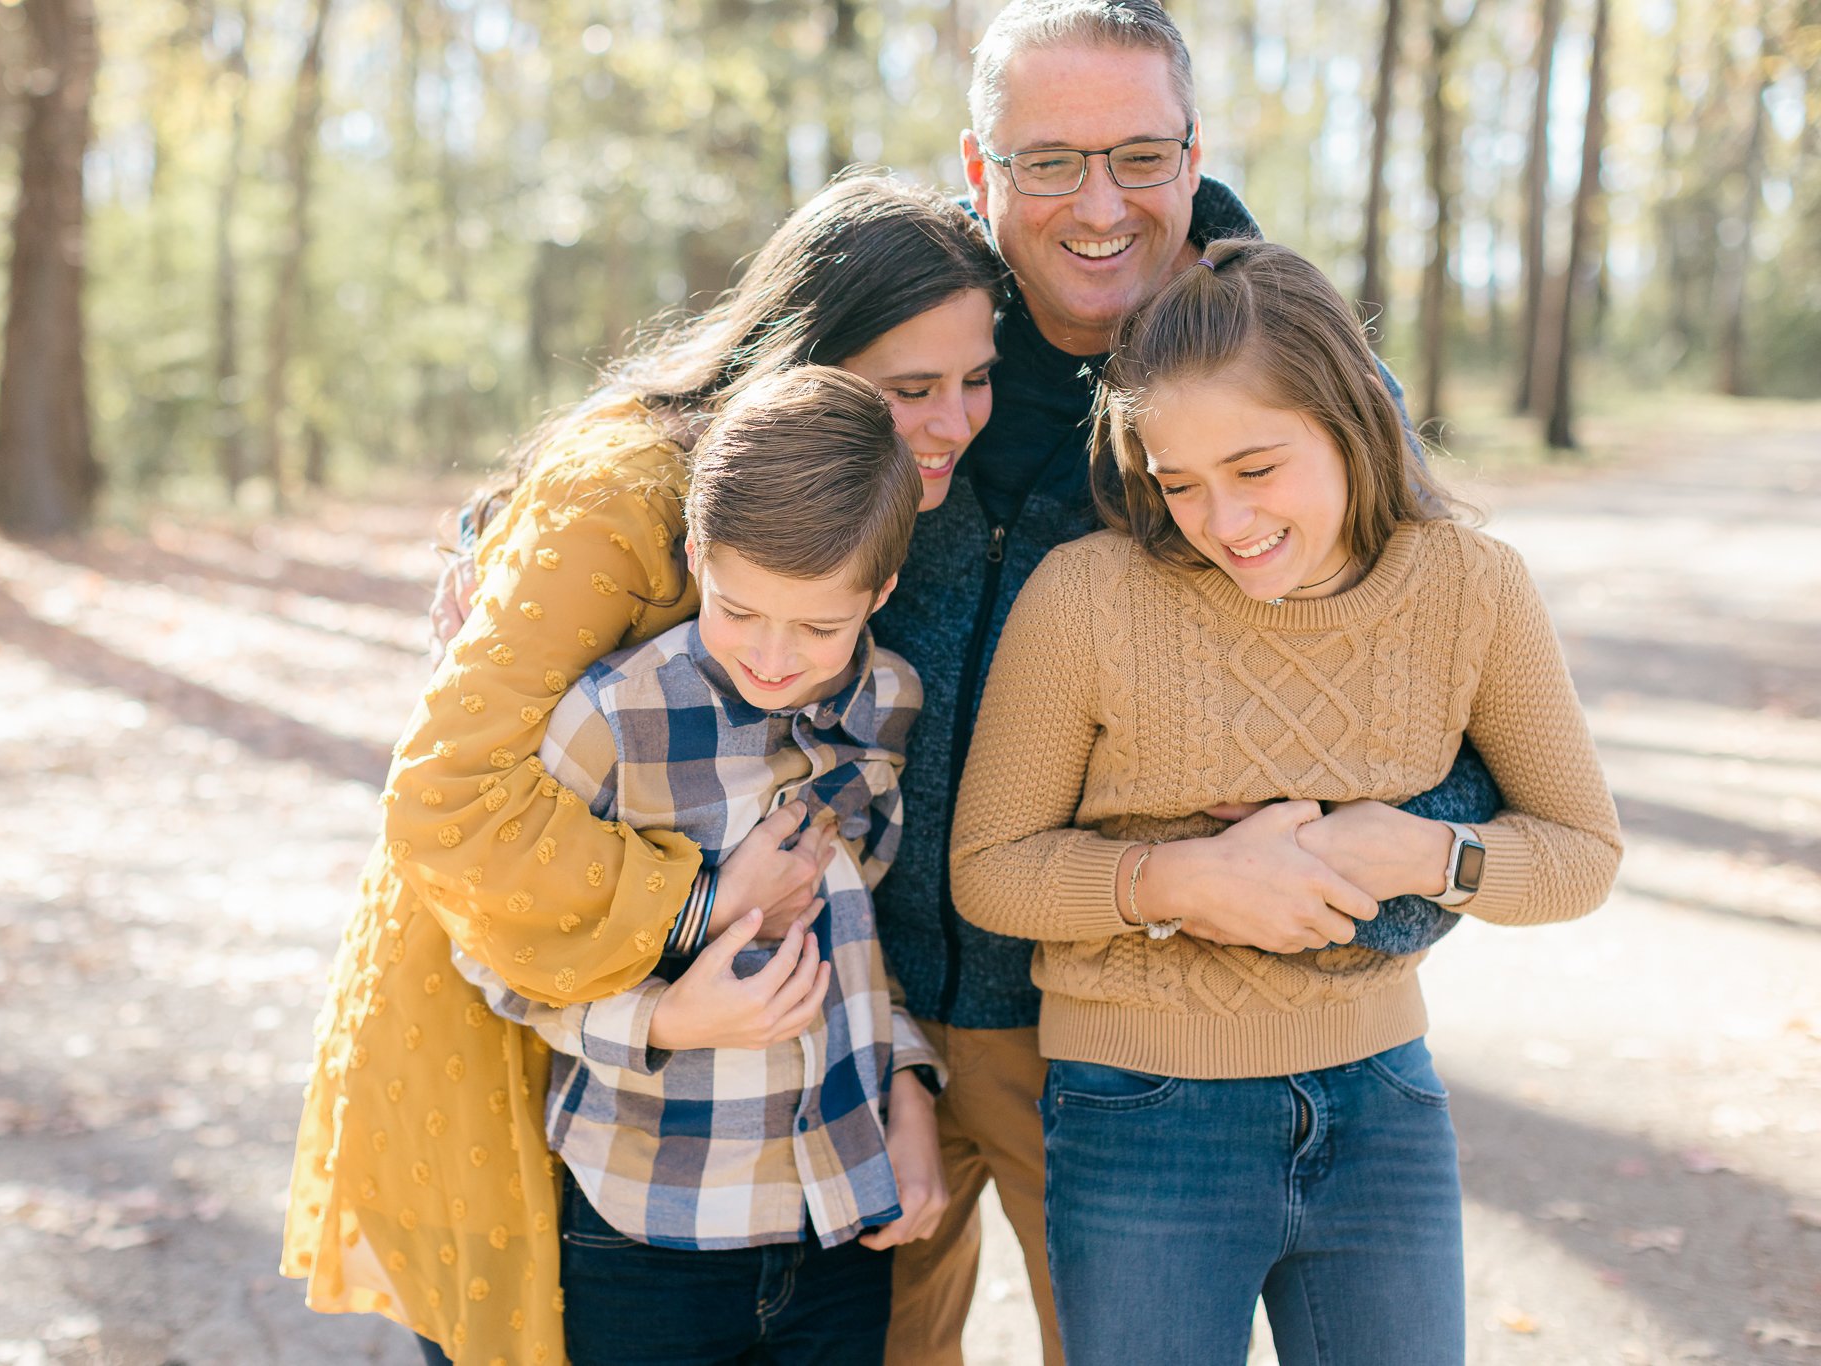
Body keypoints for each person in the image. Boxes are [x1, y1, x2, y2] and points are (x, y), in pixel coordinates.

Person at [280, 175, 1003, 1365]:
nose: (950, 420)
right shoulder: (631, 489)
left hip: (750, 1142)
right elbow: (445, 794)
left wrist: (899, 1075)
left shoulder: (850, 577)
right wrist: (707, 908)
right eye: (909, 387)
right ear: (801, 369)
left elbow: (840, 894)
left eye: (973, 379)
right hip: (509, 983)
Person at [869, 5, 1497, 1360]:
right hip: (865, 1005)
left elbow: (1454, 709)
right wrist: (495, 527)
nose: (1100, 204)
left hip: (1108, 1040)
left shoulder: (1293, 368)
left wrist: (1338, 906)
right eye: (1049, 162)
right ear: (980, 173)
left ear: (1194, 151)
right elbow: (700, 438)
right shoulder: (899, 315)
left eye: (1140, 156)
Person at [949, 238, 1624, 1364]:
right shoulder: (1086, 596)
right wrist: (1181, 883)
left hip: (1381, 1105)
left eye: (1255, 468)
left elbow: (1579, 853)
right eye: (1177, 482)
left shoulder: (1471, 585)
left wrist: (1415, 852)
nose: (1222, 519)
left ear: (1351, 418)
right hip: (1137, 1115)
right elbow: (990, 865)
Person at [455, 366, 943, 1365]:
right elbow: (494, 956)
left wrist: (912, 1090)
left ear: (880, 592)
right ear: (694, 556)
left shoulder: (889, 701)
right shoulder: (611, 721)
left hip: (836, 1221)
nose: (772, 656)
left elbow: (860, 932)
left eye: (818, 627)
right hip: (645, 1233)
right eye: (738, 609)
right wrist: (664, 1018)